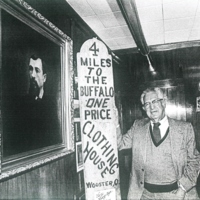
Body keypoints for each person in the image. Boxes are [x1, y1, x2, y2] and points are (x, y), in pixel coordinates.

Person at [117, 87, 200, 200]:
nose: (151, 107)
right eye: (147, 104)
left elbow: (195, 162)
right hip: (145, 195)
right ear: (144, 108)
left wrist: (182, 190)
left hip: (176, 194)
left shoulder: (184, 129)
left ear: (164, 103)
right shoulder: (137, 127)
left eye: (155, 101)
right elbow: (120, 144)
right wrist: (114, 120)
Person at [3, 55, 61, 156]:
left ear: (44, 77)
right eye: (30, 69)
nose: (33, 75)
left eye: (37, 70)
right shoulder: (20, 105)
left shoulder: (51, 106)